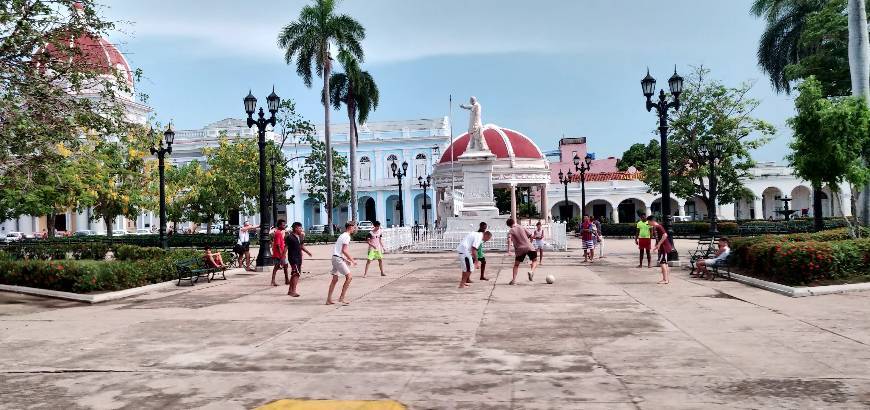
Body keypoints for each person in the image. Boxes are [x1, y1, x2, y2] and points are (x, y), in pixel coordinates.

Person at [327, 221, 357, 305]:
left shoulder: (342, 235)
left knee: (335, 279)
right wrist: (352, 260)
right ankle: (341, 298)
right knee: (349, 277)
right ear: (350, 227)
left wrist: (345, 259)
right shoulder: (347, 236)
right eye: (354, 227)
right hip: (337, 259)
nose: (354, 229)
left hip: (335, 257)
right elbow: (344, 250)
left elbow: (339, 250)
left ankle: (328, 300)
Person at [507, 218, 539, 284]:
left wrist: (509, 250)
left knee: (516, 265)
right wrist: (529, 243)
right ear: (514, 222)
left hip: (519, 249)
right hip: (529, 247)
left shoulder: (511, 231)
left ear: (509, 225)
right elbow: (531, 236)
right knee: (534, 260)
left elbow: (509, 239)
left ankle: (514, 280)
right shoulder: (521, 227)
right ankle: (531, 271)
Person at [286, 222, 312, 297]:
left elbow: (301, 246)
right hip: (293, 258)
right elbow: (286, 247)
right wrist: (283, 257)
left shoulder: (300, 236)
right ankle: (293, 291)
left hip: (299, 257)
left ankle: (290, 290)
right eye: (300, 228)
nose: (301, 229)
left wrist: (308, 252)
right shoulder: (290, 237)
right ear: (295, 228)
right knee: (296, 274)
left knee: (295, 274)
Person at [649, 215, 672, 284]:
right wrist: (657, 245)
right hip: (662, 247)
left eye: (649, 222)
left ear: (652, 221)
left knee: (662, 263)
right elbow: (658, 238)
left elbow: (665, 235)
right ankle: (666, 279)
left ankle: (665, 280)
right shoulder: (655, 227)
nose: (649, 224)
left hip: (664, 248)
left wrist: (659, 244)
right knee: (664, 263)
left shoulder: (659, 227)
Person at [270, 220, 289, 287]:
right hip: (279, 254)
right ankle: (273, 281)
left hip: (280, 253)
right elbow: (278, 245)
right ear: (279, 225)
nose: (284, 226)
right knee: (278, 266)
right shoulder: (278, 233)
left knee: (284, 266)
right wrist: (282, 254)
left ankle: (286, 280)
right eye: (283, 225)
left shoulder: (279, 232)